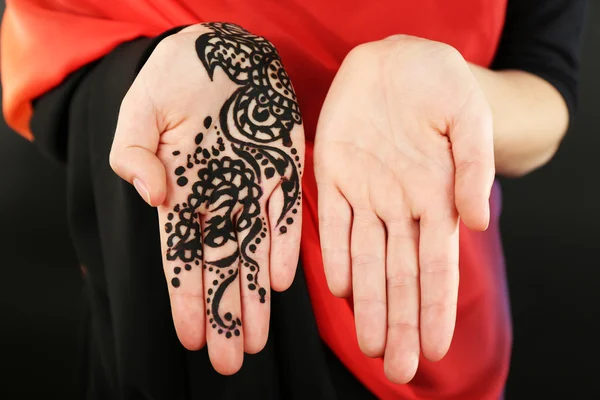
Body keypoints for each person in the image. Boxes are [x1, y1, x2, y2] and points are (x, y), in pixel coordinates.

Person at [1, 0, 585, 399]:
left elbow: (546, 83)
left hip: (408, 257)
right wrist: (197, 65)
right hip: (191, 236)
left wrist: (452, 91)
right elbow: (61, 22)